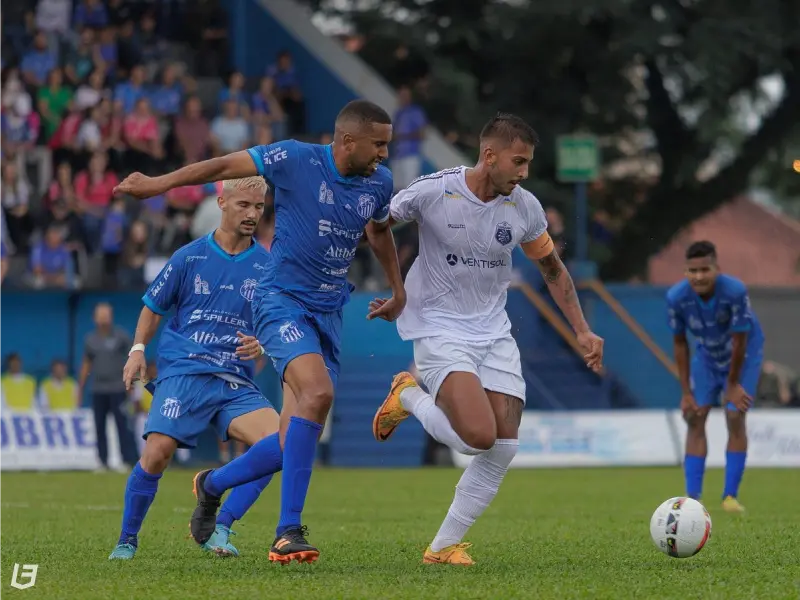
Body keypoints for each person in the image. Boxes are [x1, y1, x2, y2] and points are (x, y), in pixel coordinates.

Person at [113, 100, 405, 564]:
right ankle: (287, 530)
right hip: (282, 299)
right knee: (318, 394)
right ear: (348, 140)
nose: (385, 154)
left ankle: (213, 485)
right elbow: (223, 164)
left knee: (294, 437)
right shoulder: (295, 158)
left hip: (329, 310)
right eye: (379, 144)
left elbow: (378, 230)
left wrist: (398, 288)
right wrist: (158, 184)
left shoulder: (380, 182)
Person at [372, 113, 605, 565]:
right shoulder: (433, 190)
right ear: (489, 155)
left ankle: (440, 549)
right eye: (518, 161)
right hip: (439, 326)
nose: (523, 172)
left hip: (493, 330)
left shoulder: (525, 207)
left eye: (528, 164)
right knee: (476, 437)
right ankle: (408, 395)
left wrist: (582, 329)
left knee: (504, 446)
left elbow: (552, 269)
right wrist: (397, 289)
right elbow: (377, 225)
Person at [108, 176, 283, 560]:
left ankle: (219, 522)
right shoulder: (189, 257)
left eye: (258, 207)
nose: (252, 214)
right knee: (157, 453)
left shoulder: (268, 266)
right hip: (185, 371)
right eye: (243, 205)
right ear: (221, 202)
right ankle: (127, 540)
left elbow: (277, 321)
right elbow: (153, 308)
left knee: (282, 444)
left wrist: (265, 342)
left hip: (234, 379)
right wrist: (137, 349)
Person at [666, 240, 763, 514]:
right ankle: (692, 498)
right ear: (685, 271)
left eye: (704, 270)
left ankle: (730, 496)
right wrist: (686, 391)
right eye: (692, 270)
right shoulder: (676, 298)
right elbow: (680, 344)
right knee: (695, 415)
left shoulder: (735, 291)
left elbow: (741, 341)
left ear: (716, 268)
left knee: (734, 415)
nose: (698, 276)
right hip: (707, 356)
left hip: (744, 356)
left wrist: (732, 385)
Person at [79, 302, 139, 470]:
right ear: (95, 318)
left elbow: (132, 360)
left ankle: (127, 460)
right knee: (99, 426)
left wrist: (132, 385)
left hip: (118, 388)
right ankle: (102, 461)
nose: (103, 318)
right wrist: (80, 387)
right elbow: (86, 363)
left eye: (106, 315)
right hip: (98, 389)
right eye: (100, 315)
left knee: (123, 425)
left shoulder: (121, 336)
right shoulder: (90, 339)